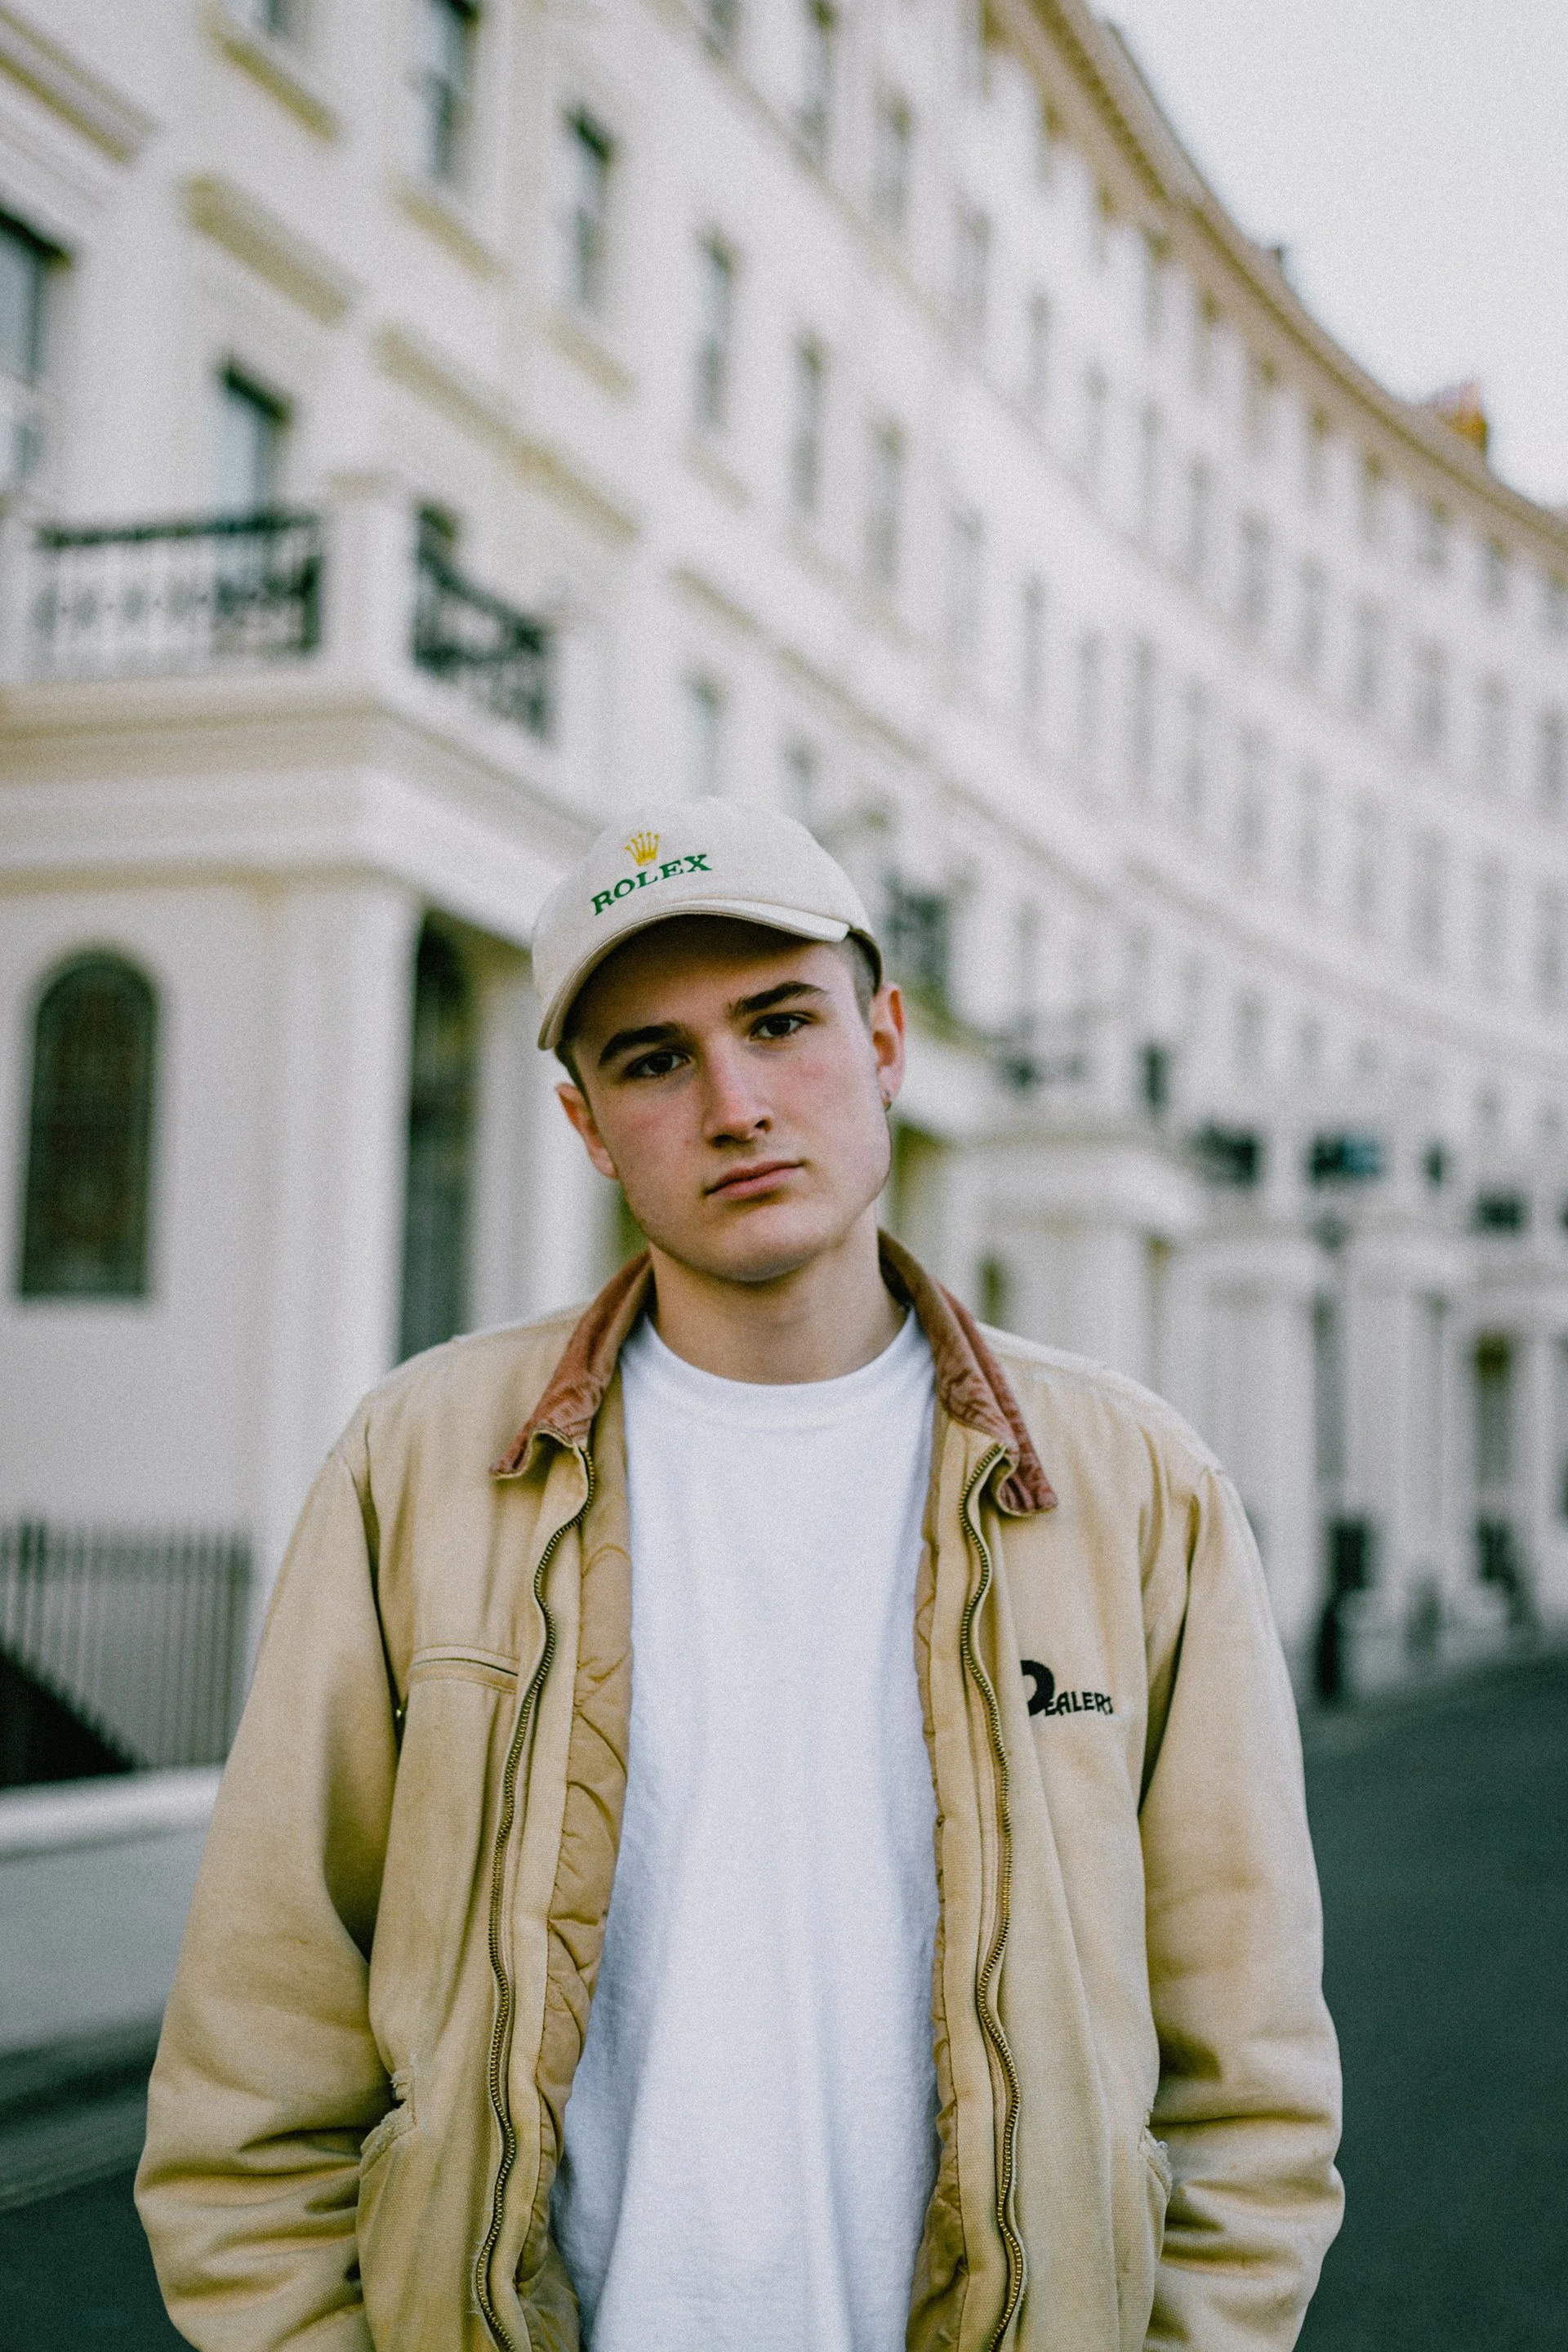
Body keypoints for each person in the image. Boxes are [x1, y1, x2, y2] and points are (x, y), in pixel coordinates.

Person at [138, 803, 1343, 2352]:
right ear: (587, 1125)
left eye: (782, 1024)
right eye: (654, 1059)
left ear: (887, 1040)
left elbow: (1249, 2088)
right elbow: (258, 2054)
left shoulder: (1131, 1487)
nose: (736, 1103)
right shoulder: (423, 1464)